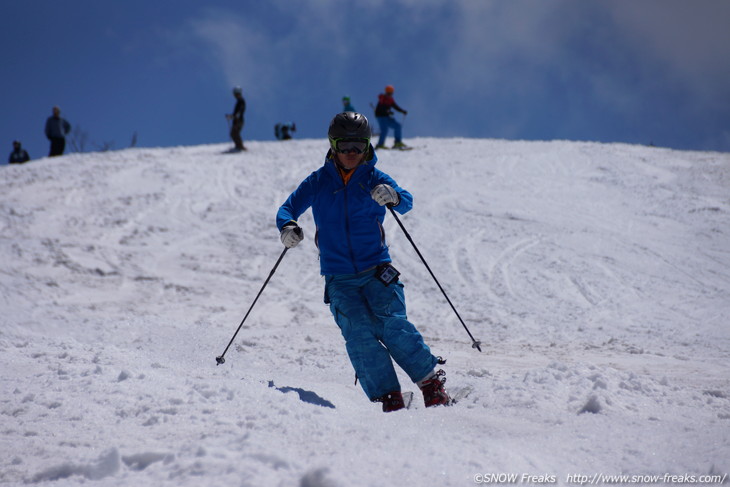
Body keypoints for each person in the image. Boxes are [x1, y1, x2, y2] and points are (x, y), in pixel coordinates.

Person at [276, 112, 450, 412]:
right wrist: (288, 227)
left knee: (392, 325)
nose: (352, 153)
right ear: (333, 146)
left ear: (367, 146)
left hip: (376, 269)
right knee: (358, 332)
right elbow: (288, 208)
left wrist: (392, 196)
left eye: (358, 146)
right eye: (345, 146)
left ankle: (431, 386)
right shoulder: (318, 182)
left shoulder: (373, 177)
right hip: (339, 276)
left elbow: (406, 201)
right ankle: (389, 397)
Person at [374, 85, 408, 149]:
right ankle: (380, 145)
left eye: (391, 93)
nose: (390, 94)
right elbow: (381, 108)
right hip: (381, 117)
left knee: (397, 126)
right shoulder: (383, 98)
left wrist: (402, 111)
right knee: (384, 130)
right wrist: (388, 112)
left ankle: (397, 142)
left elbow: (395, 106)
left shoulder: (390, 100)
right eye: (389, 93)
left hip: (386, 117)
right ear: (386, 92)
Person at [225, 86, 246, 151]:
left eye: (235, 94)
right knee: (234, 133)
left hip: (238, 120)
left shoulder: (241, 100)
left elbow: (240, 110)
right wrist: (231, 116)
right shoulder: (239, 101)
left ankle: (240, 147)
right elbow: (236, 112)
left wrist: (235, 115)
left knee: (234, 132)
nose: (234, 95)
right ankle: (239, 146)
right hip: (238, 119)